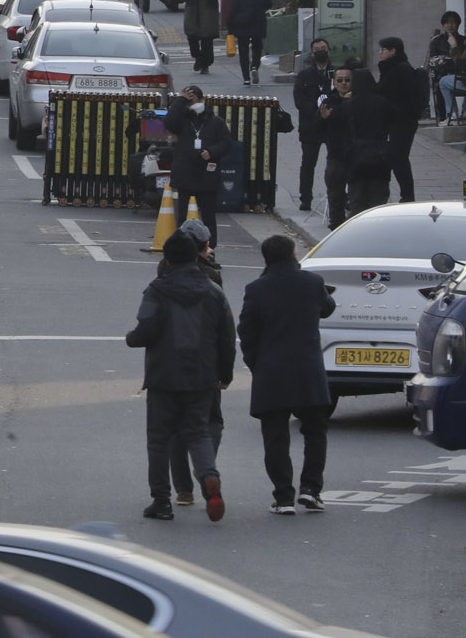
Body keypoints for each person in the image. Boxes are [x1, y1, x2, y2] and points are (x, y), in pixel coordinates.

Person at [126, 227, 236, 523]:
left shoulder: (157, 289)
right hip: (201, 374)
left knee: (160, 437)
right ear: (196, 256)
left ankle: (161, 501)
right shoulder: (214, 292)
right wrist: (224, 374)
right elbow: (227, 336)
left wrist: (131, 338)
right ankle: (209, 478)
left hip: (164, 373)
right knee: (198, 431)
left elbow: (145, 330)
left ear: (168, 258)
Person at [239, 234, 336, 514]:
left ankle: (283, 497)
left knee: (275, 436)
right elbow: (328, 309)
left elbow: (246, 330)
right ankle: (311, 490)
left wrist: (256, 362)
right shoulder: (313, 283)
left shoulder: (256, 288)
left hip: (272, 371)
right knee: (315, 431)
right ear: (294, 255)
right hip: (308, 369)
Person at [160, 220, 225, 508]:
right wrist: (226, 369)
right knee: (209, 422)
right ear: (199, 249)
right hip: (205, 362)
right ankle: (206, 471)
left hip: (170, 364)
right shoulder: (211, 280)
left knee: (174, 426)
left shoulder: (163, 276)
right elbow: (225, 328)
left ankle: (182, 489)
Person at [319, 64, 395, 228]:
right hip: (379, 156)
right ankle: (377, 228)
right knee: (378, 197)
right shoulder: (383, 103)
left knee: (357, 199)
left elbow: (333, 120)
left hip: (356, 157)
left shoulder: (349, 105)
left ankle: (351, 229)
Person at [167, 85, 234, 247]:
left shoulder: (215, 122)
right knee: (181, 216)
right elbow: (168, 123)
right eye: (188, 99)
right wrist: (180, 100)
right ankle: (181, 247)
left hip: (206, 175)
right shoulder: (182, 120)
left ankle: (210, 247)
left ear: (202, 99)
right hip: (185, 173)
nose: (191, 103)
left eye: (193, 98)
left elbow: (226, 143)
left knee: (209, 215)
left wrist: (211, 152)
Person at [375, 37, 425, 203]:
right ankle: (403, 194)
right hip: (395, 120)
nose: (380, 53)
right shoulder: (392, 68)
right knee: (395, 157)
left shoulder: (400, 69)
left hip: (403, 121)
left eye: (383, 49)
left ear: (392, 51)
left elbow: (393, 94)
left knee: (398, 157)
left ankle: (407, 195)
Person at [292, 38, 334, 213]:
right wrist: (318, 113)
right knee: (308, 164)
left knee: (336, 163)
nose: (321, 52)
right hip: (311, 125)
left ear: (329, 50)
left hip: (332, 125)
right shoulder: (304, 75)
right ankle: (306, 199)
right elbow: (300, 101)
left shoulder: (336, 73)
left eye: (324, 48)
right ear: (312, 54)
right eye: (317, 49)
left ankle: (338, 197)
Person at [228, 0, 270, 87]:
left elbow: (234, 5)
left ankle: (246, 78)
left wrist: (230, 22)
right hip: (258, 20)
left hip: (242, 21)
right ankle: (255, 66)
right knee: (257, 47)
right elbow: (269, 4)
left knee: (243, 51)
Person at [181, 0, 222, 74]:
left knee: (207, 44)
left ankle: (205, 65)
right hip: (192, 16)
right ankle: (198, 58)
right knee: (193, 44)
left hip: (207, 17)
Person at [427, 11, 466, 122]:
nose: (450, 25)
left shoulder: (464, 40)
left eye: (453, 23)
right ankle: (445, 117)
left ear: (458, 24)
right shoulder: (436, 41)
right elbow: (433, 59)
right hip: (442, 72)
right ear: (443, 25)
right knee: (440, 83)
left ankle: (457, 114)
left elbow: (464, 59)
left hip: (460, 73)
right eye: (447, 23)